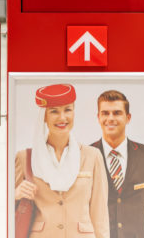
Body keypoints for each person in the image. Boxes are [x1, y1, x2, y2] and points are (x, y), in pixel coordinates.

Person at [15, 84, 109, 238]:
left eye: (68, 110)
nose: (62, 118)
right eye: (54, 111)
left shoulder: (92, 156)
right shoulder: (24, 158)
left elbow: (100, 214)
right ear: (44, 116)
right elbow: (4, 209)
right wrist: (15, 194)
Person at [91, 90, 144, 238]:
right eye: (105, 113)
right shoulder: (85, 156)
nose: (110, 118)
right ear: (98, 117)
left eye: (117, 113)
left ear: (128, 118)